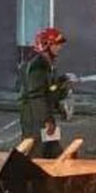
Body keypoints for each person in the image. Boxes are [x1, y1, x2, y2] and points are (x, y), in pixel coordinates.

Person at [20, 27, 71, 158]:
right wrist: (46, 120)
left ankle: (58, 175)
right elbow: (36, 95)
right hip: (35, 119)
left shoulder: (48, 64)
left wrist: (63, 82)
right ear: (46, 45)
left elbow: (50, 89)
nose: (59, 47)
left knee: (54, 152)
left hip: (45, 117)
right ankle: (27, 178)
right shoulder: (38, 65)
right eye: (56, 44)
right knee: (36, 154)